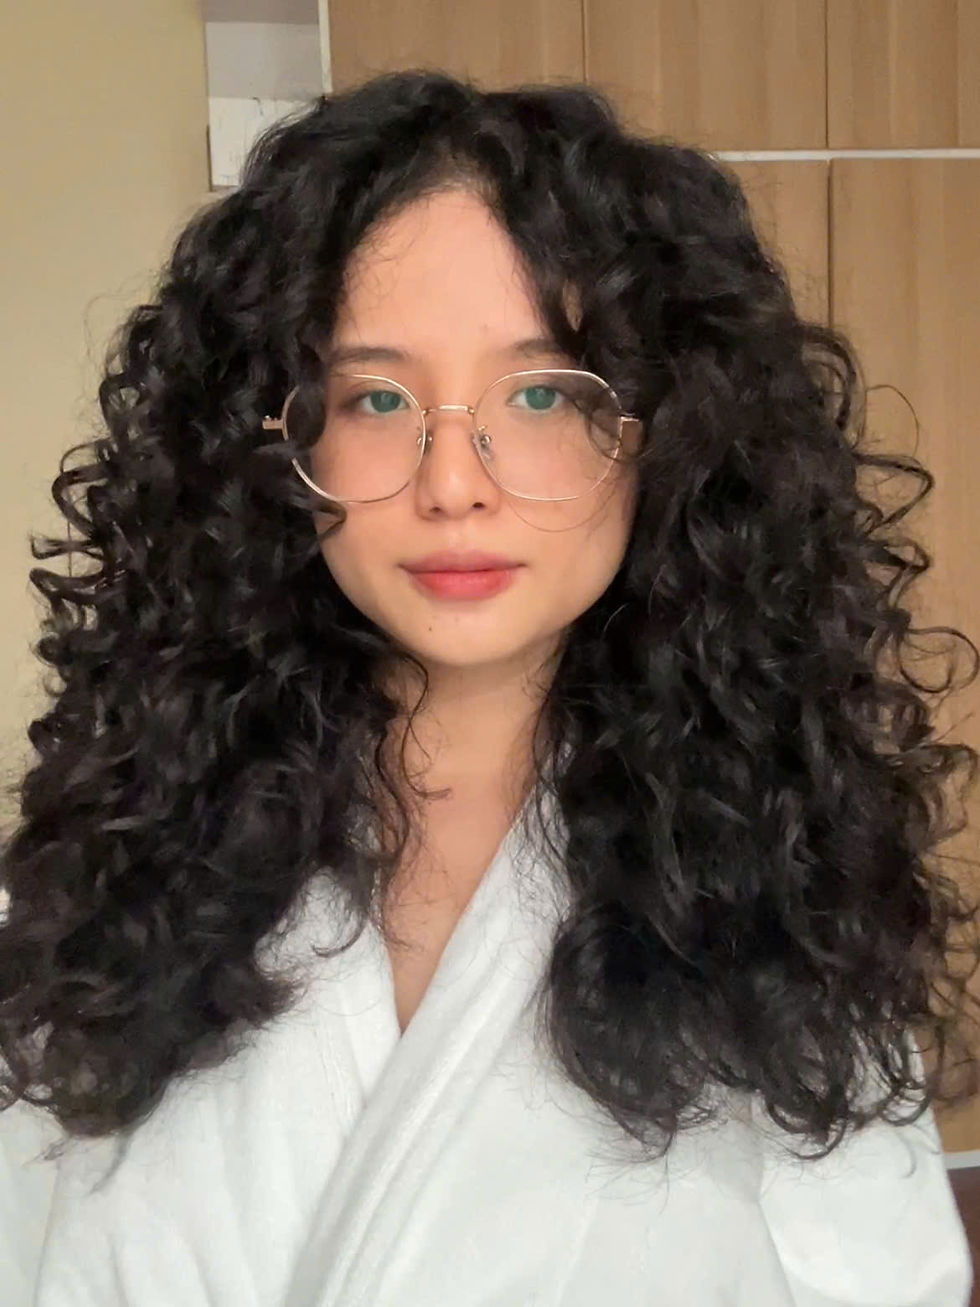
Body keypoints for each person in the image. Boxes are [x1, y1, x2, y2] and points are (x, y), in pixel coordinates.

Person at [1, 67, 977, 1306]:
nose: (452, 481)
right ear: (275, 443)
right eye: (375, 396)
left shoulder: (775, 876)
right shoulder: (118, 861)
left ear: (666, 434)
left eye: (538, 394)